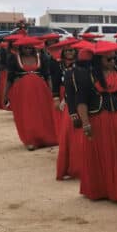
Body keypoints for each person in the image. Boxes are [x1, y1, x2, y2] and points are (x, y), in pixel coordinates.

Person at [75, 41, 117, 204]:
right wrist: (85, 123)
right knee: (105, 154)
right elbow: (81, 101)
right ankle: (106, 190)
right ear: (98, 60)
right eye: (109, 59)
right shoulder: (87, 76)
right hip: (99, 119)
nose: (113, 62)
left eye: (114, 58)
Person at [4, 37, 58, 150]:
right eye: (25, 48)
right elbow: (9, 78)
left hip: (40, 90)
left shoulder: (42, 57)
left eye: (30, 48)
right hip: (22, 91)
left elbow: (47, 76)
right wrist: (5, 94)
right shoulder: (14, 58)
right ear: (21, 48)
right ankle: (30, 140)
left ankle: (44, 138)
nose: (28, 50)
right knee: (26, 115)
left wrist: (52, 91)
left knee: (42, 114)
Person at [48, 38, 84, 180]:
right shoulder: (56, 65)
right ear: (63, 52)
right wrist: (56, 98)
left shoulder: (80, 64)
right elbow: (55, 83)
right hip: (63, 94)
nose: (70, 52)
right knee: (64, 128)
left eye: (72, 50)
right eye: (67, 50)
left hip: (76, 96)